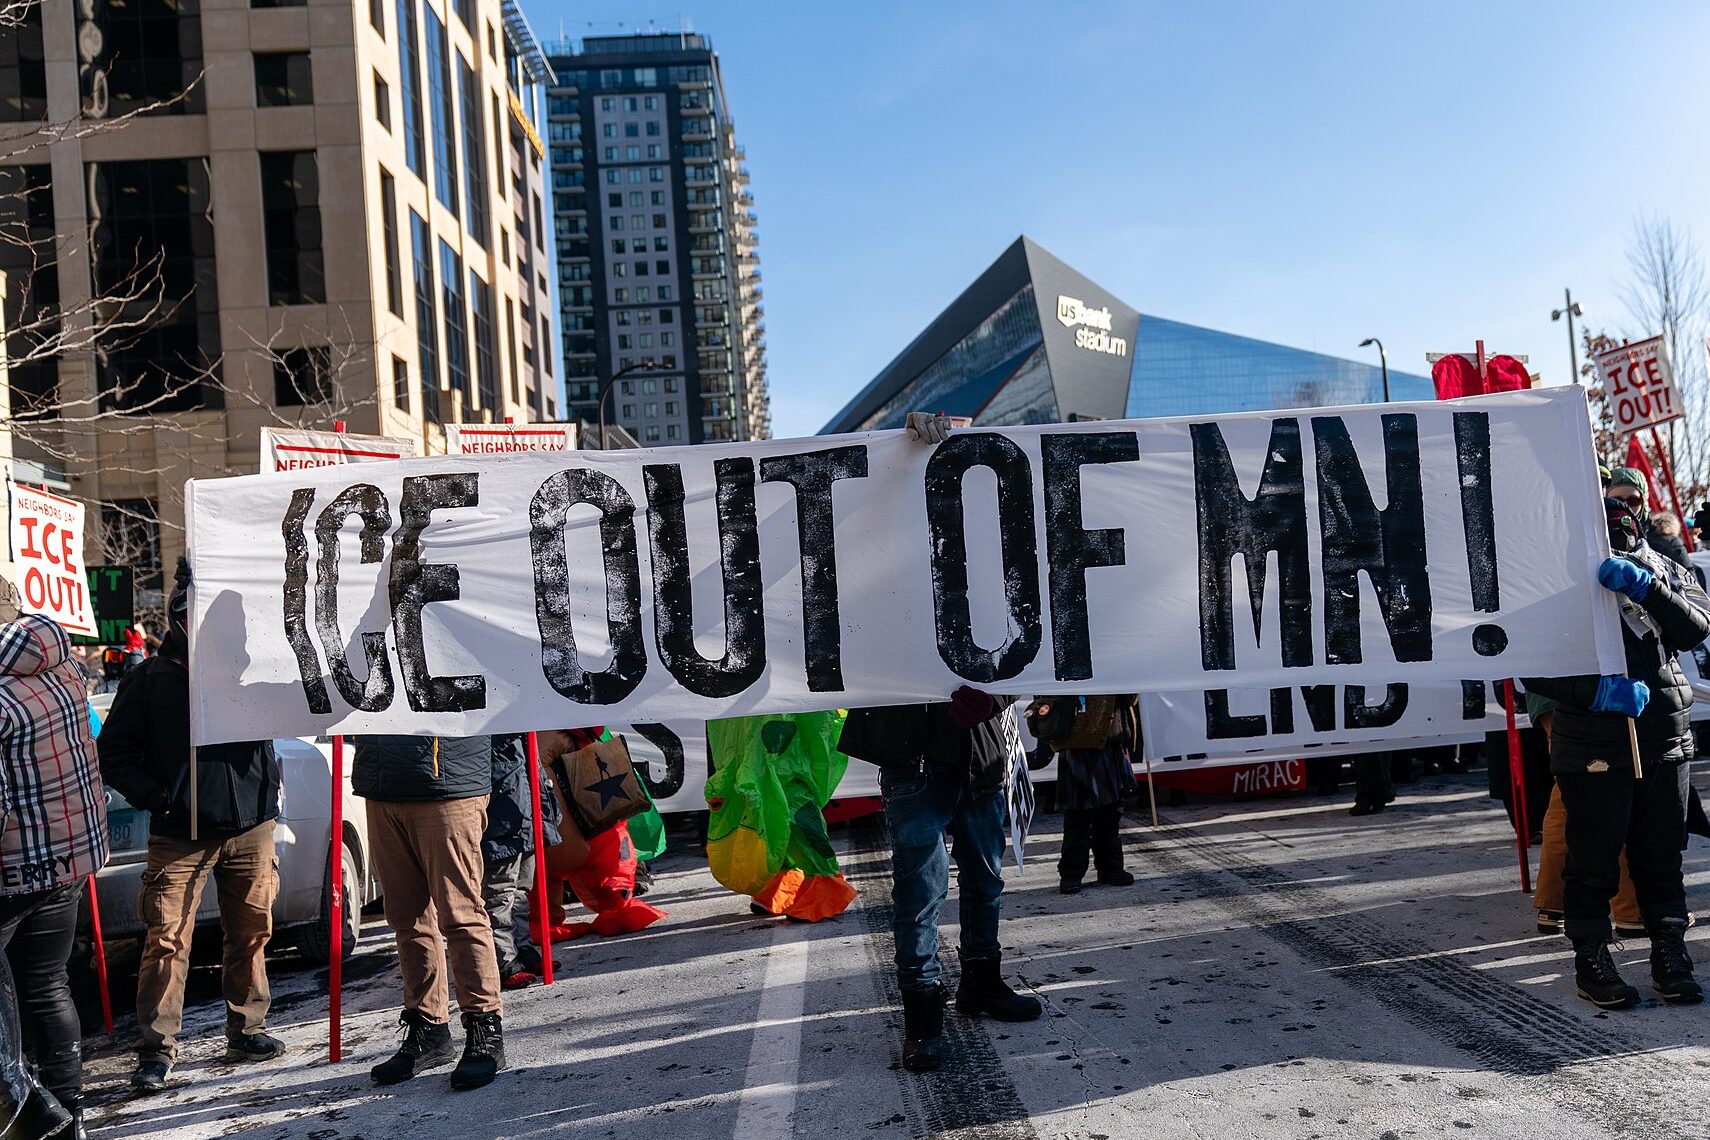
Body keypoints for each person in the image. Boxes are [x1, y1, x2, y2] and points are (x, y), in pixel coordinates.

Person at [836, 409, 1042, 1075]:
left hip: (978, 748)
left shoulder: (995, 559)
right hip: (913, 751)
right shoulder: (877, 557)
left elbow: (1034, 644)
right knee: (918, 890)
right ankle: (923, 1016)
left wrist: (999, 695)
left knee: (984, 879)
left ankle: (980, 983)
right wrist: (903, 448)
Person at [97, 560, 286, 1093]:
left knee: (251, 933)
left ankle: (246, 1029)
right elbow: (113, 753)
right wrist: (160, 797)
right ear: (180, 618)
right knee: (166, 941)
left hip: (250, 825)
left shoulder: (250, 670)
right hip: (179, 833)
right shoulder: (150, 681)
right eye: (192, 613)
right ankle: (156, 1051)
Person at [1522, 493, 1710, 1009]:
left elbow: (1696, 628)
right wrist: (1597, 692)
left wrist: (1649, 589)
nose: (1617, 529)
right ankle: (1592, 955)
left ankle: (1670, 952)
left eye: (1626, 520)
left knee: (1661, 853)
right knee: (1594, 855)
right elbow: (1527, 664)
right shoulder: (1550, 581)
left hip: (1664, 731)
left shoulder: (1662, 566)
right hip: (1591, 738)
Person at [0, 612, 108, 1138]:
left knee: (30, 991)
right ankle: (71, 1119)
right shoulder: (63, 672)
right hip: (65, 862)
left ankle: (32, 1113)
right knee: (46, 986)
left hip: (12, 869)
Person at [352, 734, 505, 1090]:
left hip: (448, 784)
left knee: (460, 914)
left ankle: (484, 1026)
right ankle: (428, 1028)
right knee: (407, 919)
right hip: (384, 785)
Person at [1526, 690, 1644, 938]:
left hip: (1557, 692)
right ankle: (1631, 909)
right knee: (1608, 788)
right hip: (1589, 691)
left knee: (1569, 792)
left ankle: (1553, 904)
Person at [1022, 695, 1137, 894]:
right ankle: (1072, 873)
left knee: (1111, 813)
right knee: (1078, 817)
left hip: (1110, 738)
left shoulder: (1116, 664)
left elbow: (1129, 696)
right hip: (1077, 741)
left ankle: (1110, 868)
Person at [480, 734, 557, 989]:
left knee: (522, 891)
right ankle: (504, 960)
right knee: (500, 893)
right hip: (502, 819)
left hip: (525, 814)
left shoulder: (521, 725)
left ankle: (521, 948)